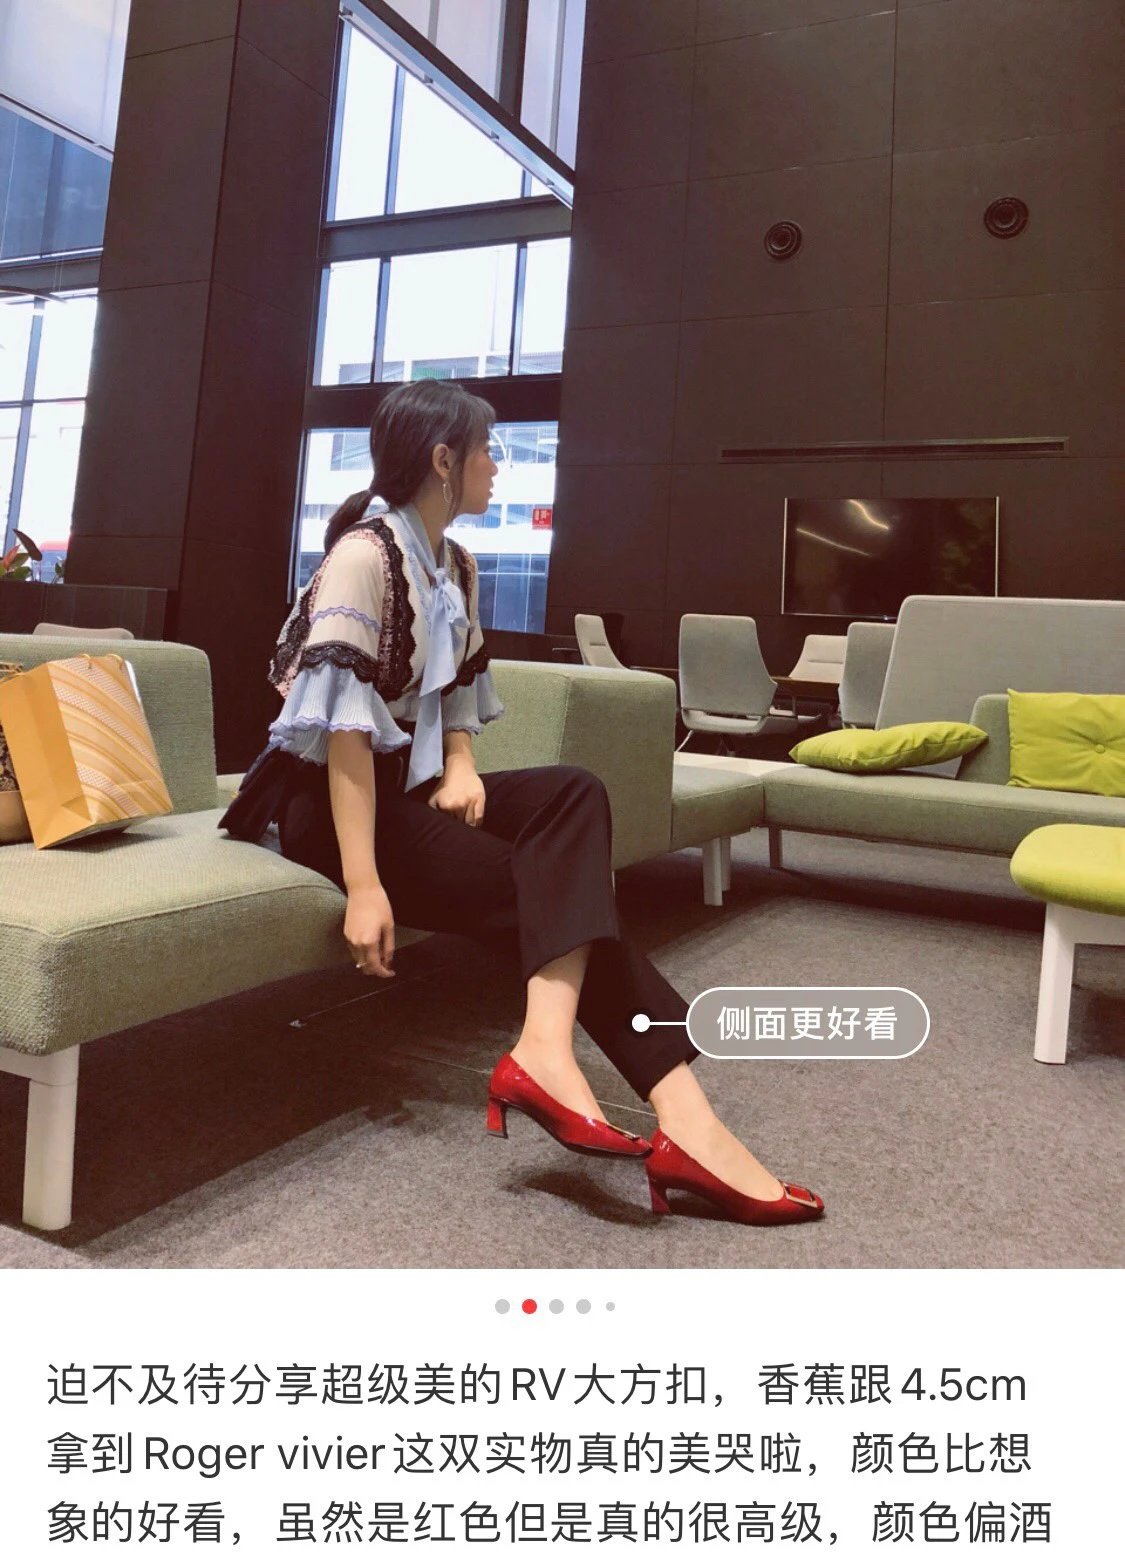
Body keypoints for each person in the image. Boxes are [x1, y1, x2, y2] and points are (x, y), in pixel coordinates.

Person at [223, 380, 823, 1226]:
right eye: (486, 452)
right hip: (326, 805)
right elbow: (343, 736)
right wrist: (363, 886)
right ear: (443, 461)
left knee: (571, 792)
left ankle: (546, 1045)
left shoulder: (455, 564)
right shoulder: (363, 556)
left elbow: (457, 688)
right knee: (560, 896)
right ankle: (686, 1126)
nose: (496, 467)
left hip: (408, 791)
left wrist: (461, 762)